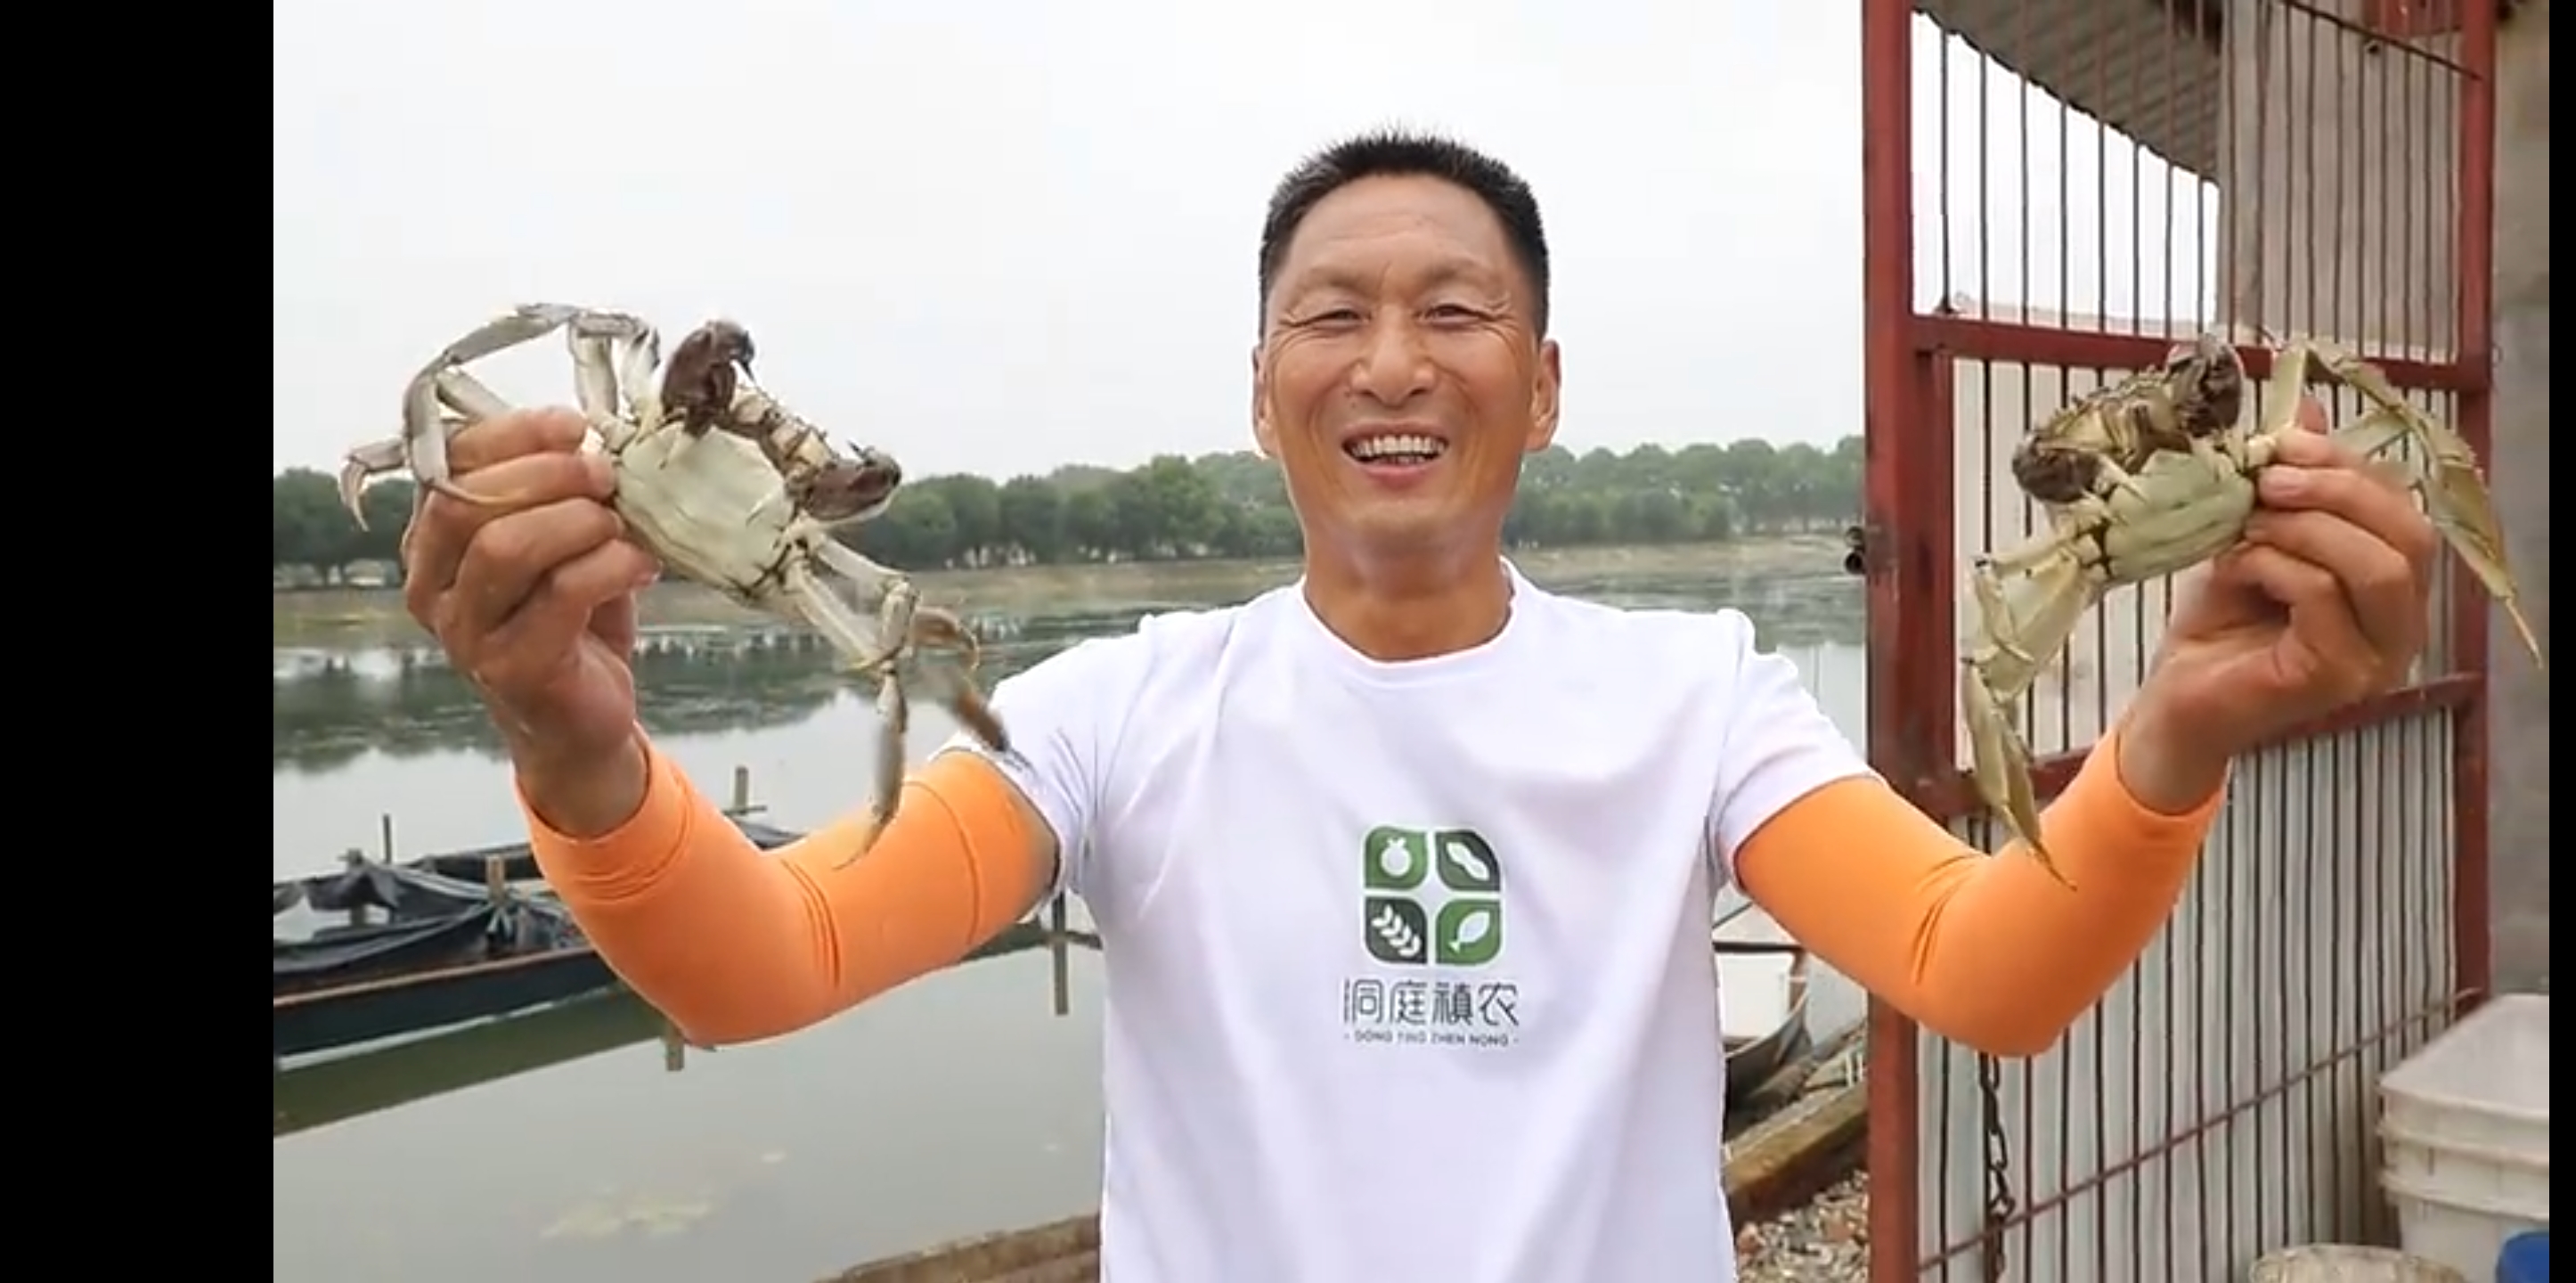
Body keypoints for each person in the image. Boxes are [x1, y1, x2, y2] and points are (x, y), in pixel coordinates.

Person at [399, 131, 2441, 1283]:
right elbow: (774, 959)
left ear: (1541, 392)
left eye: (1458, 313)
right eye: (1332, 317)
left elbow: (1977, 967)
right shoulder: (1113, 711)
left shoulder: (1694, 694)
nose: (1393, 361)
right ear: (1260, 391)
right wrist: (579, 748)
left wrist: (2174, 736)